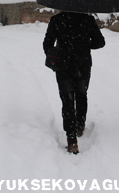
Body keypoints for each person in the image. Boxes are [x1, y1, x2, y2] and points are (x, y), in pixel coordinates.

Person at [43, 10, 105, 154]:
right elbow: (100, 42)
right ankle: (79, 125)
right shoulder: (87, 20)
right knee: (81, 95)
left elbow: (47, 44)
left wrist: (56, 53)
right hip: (82, 65)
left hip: (63, 66)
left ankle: (71, 139)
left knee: (67, 100)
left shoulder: (57, 20)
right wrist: (84, 44)